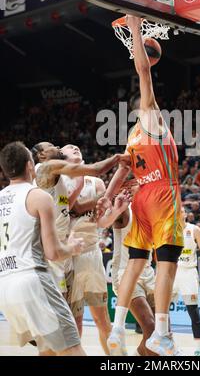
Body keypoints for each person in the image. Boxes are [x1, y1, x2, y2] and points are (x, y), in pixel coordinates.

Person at [102, 15, 184, 356]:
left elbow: (122, 170)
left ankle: (117, 328)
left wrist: (107, 197)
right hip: (163, 194)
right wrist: (136, 29)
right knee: (166, 264)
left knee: (135, 263)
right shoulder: (152, 121)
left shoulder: (133, 138)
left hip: (141, 200)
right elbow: (144, 73)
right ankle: (161, 333)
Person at [0, 142, 85, 356]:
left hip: (6, 284)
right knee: (72, 347)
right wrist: (72, 248)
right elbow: (53, 252)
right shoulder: (38, 191)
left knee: (47, 348)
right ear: (31, 165)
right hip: (34, 275)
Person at [31, 141, 127, 297]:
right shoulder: (47, 168)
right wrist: (117, 158)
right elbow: (96, 170)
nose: (56, 146)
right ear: (42, 155)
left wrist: (115, 188)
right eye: (51, 145)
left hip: (65, 246)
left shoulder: (60, 177)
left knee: (61, 300)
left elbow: (76, 207)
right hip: (49, 245)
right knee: (53, 302)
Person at [60, 144, 129, 355]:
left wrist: (116, 211)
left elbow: (101, 221)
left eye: (77, 147)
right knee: (75, 323)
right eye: (70, 148)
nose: (75, 147)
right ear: (60, 157)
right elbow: (75, 208)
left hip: (91, 254)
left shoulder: (96, 182)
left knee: (102, 320)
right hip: (68, 258)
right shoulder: (59, 181)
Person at [98, 204, 157, 356]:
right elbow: (103, 220)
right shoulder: (124, 208)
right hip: (126, 272)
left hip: (148, 271)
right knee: (150, 327)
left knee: (162, 332)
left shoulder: (153, 208)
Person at [173, 206, 200, 356]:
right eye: (178, 210)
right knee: (161, 309)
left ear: (185, 214)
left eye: (183, 210)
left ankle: (197, 349)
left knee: (193, 311)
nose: (181, 212)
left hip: (189, 272)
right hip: (172, 272)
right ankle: (167, 343)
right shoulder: (168, 229)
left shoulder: (194, 230)